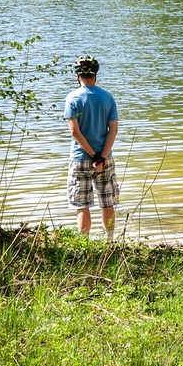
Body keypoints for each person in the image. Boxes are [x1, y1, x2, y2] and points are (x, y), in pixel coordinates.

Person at [64, 55, 119, 240]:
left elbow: (74, 131)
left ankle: (83, 244)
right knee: (107, 202)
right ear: (96, 74)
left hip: (80, 158)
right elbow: (113, 130)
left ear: (77, 75)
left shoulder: (72, 98)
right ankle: (110, 242)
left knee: (82, 204)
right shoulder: (107, 97)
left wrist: (92, 155)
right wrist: (101, 156)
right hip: (105, 159)